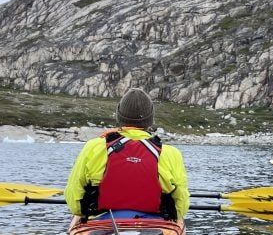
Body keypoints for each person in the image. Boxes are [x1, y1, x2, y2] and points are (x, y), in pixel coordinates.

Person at [64, 88, 189, 221]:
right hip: (156, 226)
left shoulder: (94, 147)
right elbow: (181, 206)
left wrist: (79, 213)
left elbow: (74, 199)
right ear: (150, 119)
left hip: (101, 226)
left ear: (119, 116)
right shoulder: (171, 153)